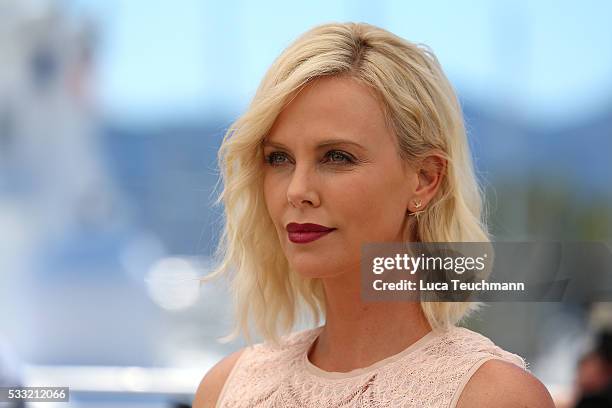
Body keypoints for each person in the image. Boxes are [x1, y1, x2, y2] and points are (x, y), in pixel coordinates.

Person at [193, 22, 554, 407]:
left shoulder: (493, 396)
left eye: (337, 157)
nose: (297, 191)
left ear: (425, 179)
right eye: (278, 158)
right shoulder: (225, 389)